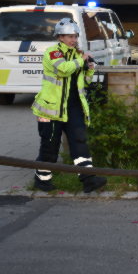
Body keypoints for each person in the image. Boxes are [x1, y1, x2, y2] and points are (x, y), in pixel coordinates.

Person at [31, 18, 107, 193]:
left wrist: (89, 68)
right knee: (49, 146)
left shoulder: (77, 55)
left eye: (75, 36)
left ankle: (89, 180)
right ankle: (42, 181)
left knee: (80, 142)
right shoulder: (53, 53)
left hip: (73, 108)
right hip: (51, 109)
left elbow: (85, 82)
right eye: (69, 36)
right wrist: (82, 60)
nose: (73, 40)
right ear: (60, 37)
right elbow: (64, 69)